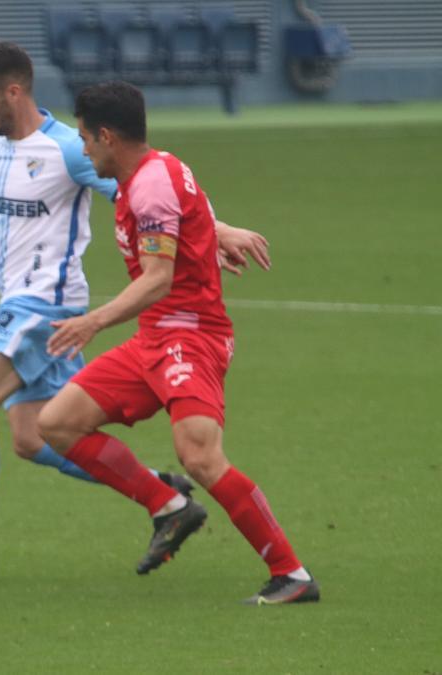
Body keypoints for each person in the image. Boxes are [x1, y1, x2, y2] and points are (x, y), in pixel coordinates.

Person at [0, 42, 271, 581]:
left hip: (47, 301)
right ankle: (160, 490)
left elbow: (149, 183)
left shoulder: (71, 149)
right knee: (33, 437)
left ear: (13, 91)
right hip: (18, 302)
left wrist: (219, 227)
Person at [37, 81, 318, 604]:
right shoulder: (155, 171)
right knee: (56, 424)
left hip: (191, 337)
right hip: (154, 339)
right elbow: (189, 214)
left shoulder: (147, 185)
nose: (81, 150)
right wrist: (217, 232)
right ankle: (169, 506)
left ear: (106, 136)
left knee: (200, 456)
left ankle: (292, 574)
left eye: (84, 139)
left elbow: (158, 277)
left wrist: (94, 321)